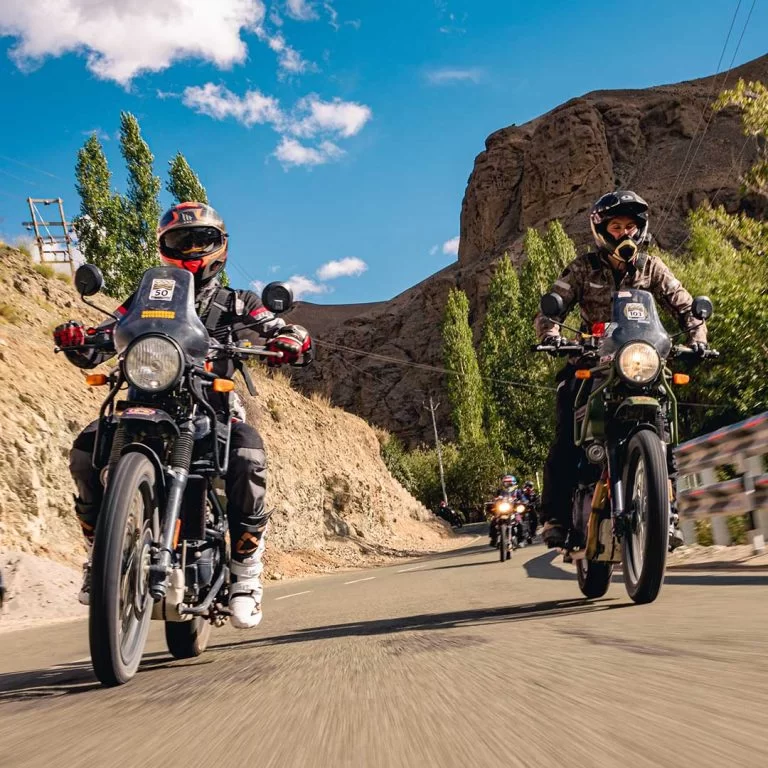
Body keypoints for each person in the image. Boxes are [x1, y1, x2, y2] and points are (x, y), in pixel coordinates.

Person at [53, 202, 312, 630]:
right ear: (164, 247)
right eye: (180, 240)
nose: (191, 248)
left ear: (220, 246)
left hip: (212, 406)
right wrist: (79, 337)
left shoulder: (238, 301)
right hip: (147, 401)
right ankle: (98, 559)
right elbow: (108, 335)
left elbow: (271, 324)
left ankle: (246, 575)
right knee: (84, 451)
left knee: (248, 456)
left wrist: (292, 337)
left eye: (201, 239)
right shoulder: (144, 297)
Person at [534, 190, 708, 551]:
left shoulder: (651, 267)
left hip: (641, 363)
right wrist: (551, 334)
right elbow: (554, 304)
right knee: (567, 428)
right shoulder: (583, 267)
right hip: (591, 363)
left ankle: (667, 512)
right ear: (602, 229)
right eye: (617, 226)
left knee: (663, 429)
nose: (625, 233)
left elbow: (685, 304)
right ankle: (556, 518)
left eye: (631, 226)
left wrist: (698, 336)